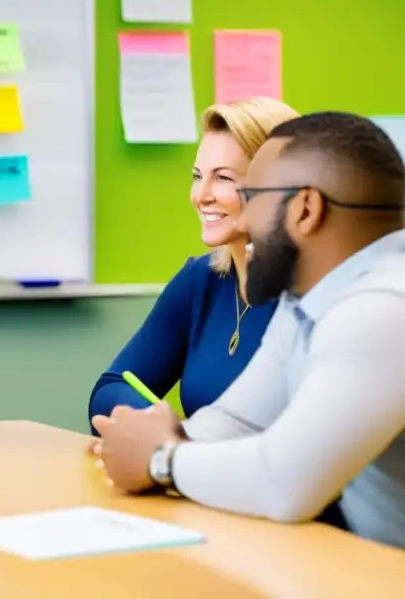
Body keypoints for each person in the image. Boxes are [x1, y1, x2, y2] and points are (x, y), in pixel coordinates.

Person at [92, 112, 405, 549]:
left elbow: (285, 482)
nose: (241, 221)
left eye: (252, 195)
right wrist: (153, 439)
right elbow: (238, 419)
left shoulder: (383, 308)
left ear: (306, 210)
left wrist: (162, 459)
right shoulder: (308, 297)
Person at [88, 98, 299, 427]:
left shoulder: (312, 295)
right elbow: (111, 389)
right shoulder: (201, 280)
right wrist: (162, 431)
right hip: (196, 473)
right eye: (198, 176)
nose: (201, 195)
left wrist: (182, 447)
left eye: (224, 178)